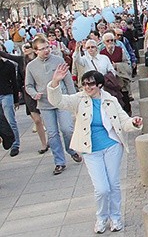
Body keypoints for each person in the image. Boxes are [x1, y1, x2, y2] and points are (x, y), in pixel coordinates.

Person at [48, 67, 142, 233]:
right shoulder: (79, 99)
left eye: (91, 84)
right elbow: (58, 101)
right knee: (101, 188)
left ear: (99, 85)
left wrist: (134, 123)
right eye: (84, 84)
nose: (87, 87)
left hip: (111, 146)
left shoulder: (110, 100)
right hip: (90, 149)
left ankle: (115, 217)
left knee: (113, 184)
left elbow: (123, 121)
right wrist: (55, 82)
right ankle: (101, 217)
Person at [25, 35, 82, 175]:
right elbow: (28, 85)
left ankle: (71, 149)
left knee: (67, 129)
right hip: (45, 103)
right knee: (52, 134)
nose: (46, 51)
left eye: (47, 47)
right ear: (36, 51)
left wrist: (73, 98)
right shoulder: (31, 66)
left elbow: (68, 80)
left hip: (61, 100)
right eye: (42, 49)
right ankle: (59, 162)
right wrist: (34, 94)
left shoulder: (58, 60)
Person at [0, 47, 20, 157]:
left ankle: (15, 144)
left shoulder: (8, 65)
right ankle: (6, 139)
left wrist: (16, 99)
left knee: (10, 120)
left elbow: (14, 83)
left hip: (7, 94)